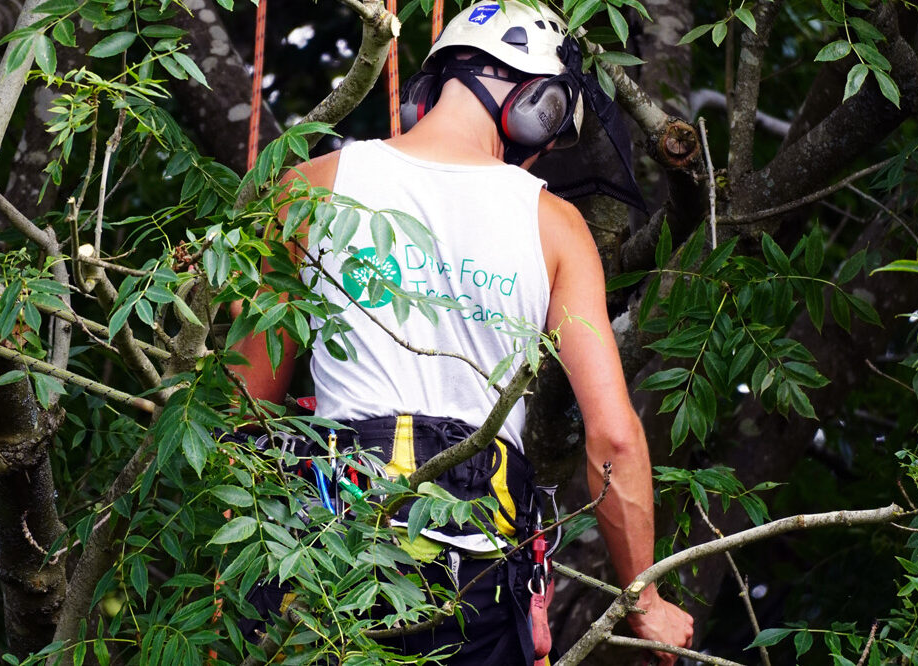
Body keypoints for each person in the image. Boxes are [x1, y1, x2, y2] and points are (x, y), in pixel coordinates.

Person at [233, 1, 694, 663]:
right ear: (539, 100)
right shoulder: (556, 225)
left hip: (324, 562)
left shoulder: (310, 186)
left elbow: (240, 405)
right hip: (472, 581)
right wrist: (643, 601)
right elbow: (613, 436)